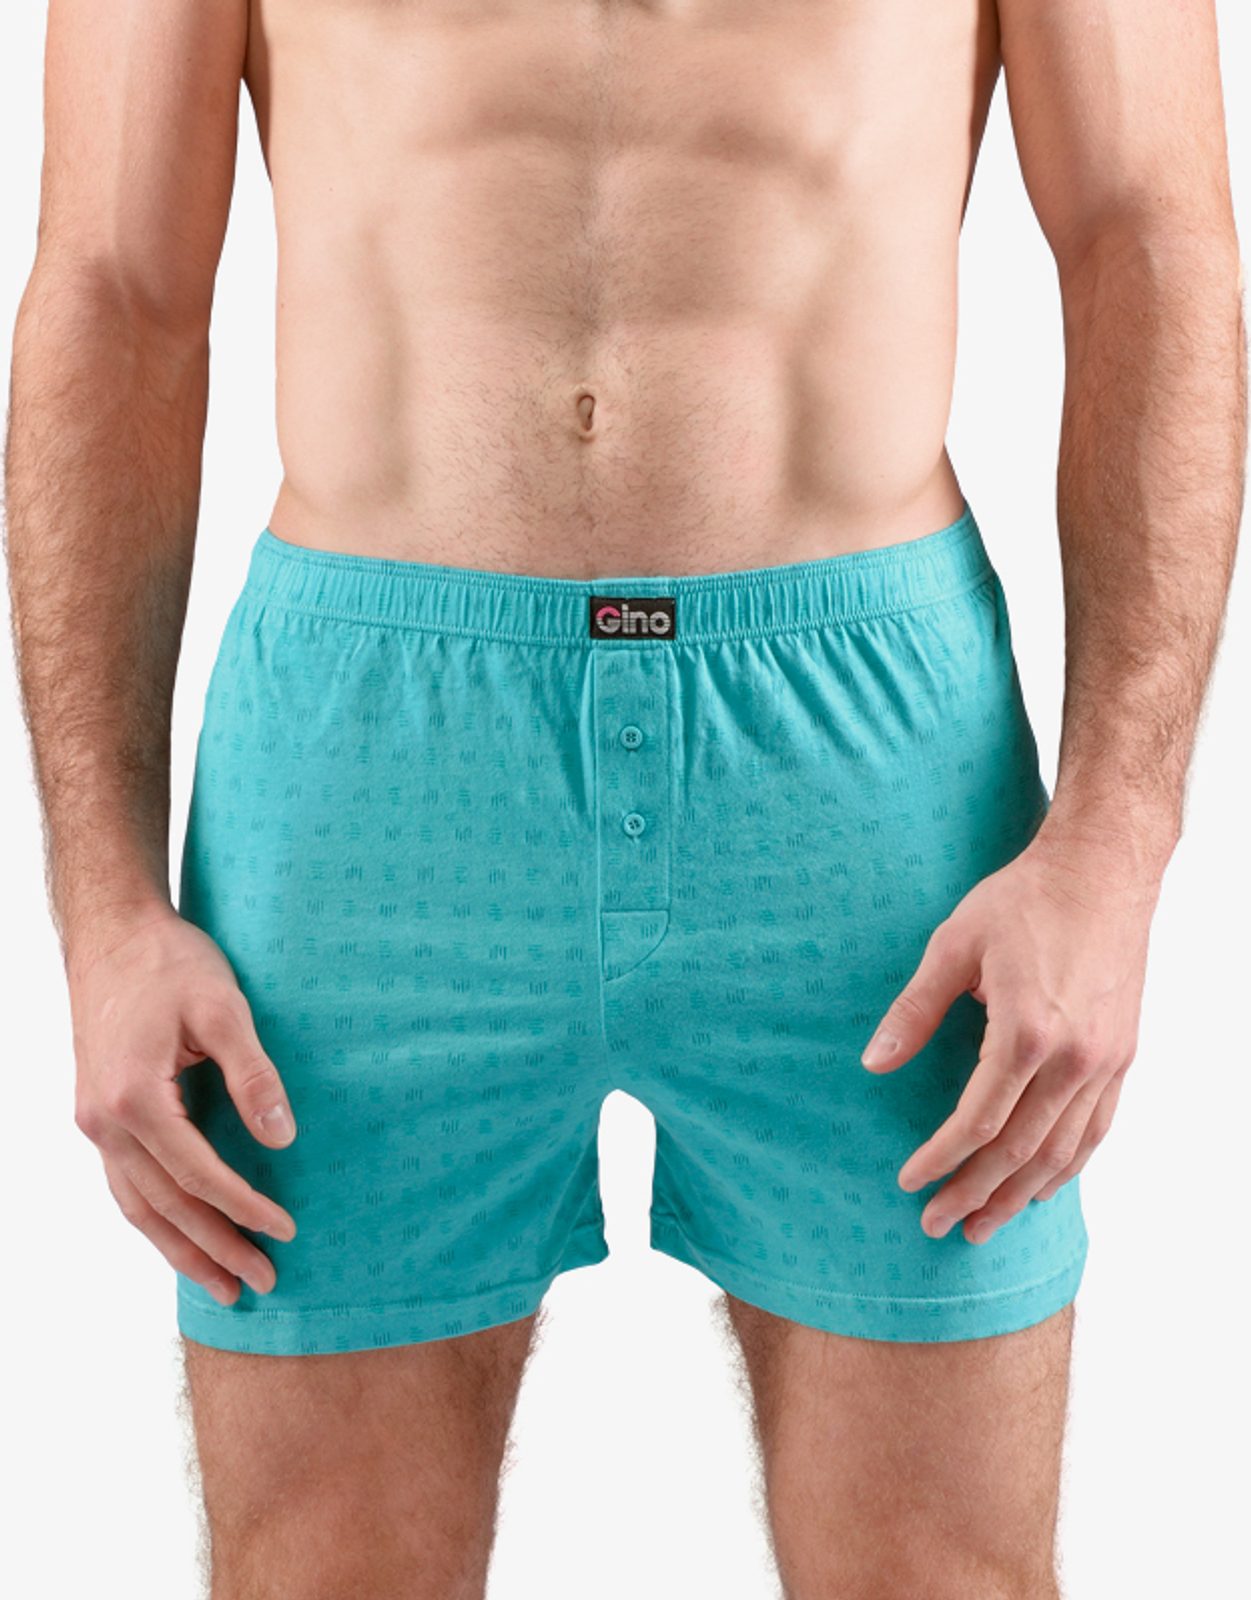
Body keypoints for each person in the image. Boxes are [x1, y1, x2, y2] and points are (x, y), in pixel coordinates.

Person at [5, 1, 1244, 1596]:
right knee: (320, 1573)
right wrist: (102, 905)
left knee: (942, 1574)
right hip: (377, 773)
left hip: (865, 778)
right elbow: (115, 288)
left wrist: (1117, 843)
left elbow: (1149, 234)